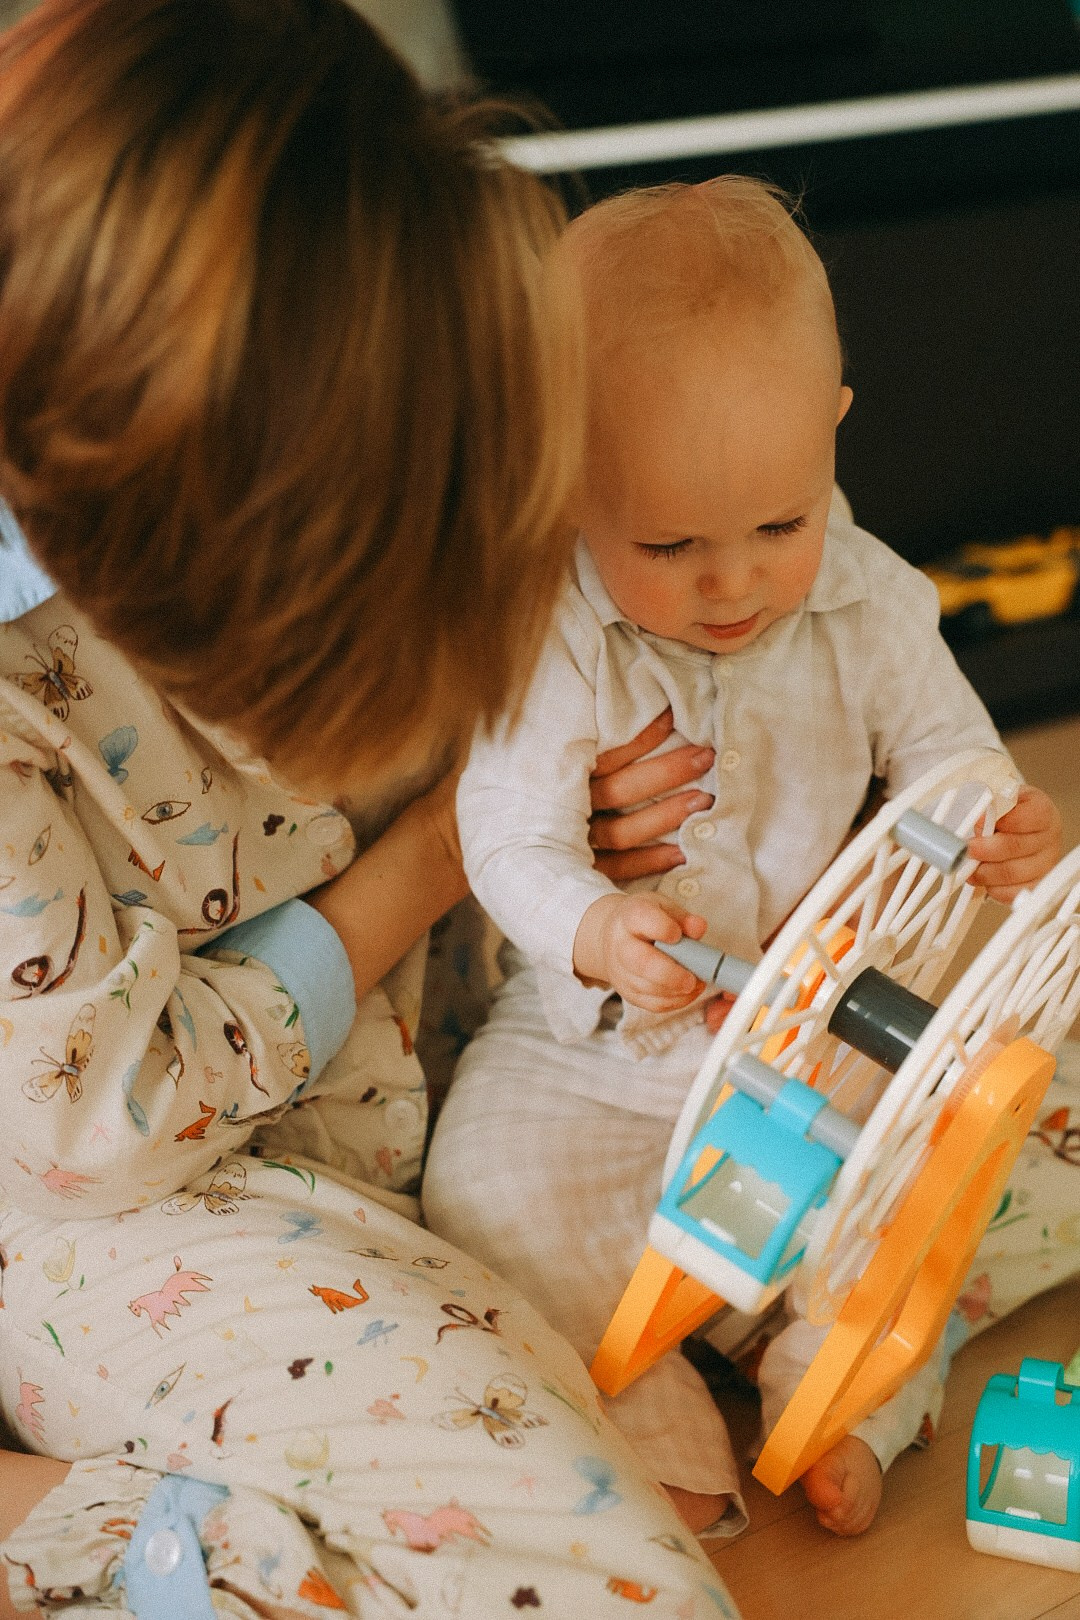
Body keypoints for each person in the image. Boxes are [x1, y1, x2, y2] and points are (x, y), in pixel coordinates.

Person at [0, 5, 743, 1617]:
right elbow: (88, 1135)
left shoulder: (310, 370)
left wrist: (544, 835)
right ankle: (72, 1516)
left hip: (381, 1094)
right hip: (116, 1219)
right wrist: (427, 863)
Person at [423, 178, 1067, 1543]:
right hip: (600, 1056)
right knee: (476, 1195)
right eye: (669, 545)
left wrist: (997, 816)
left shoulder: (870, 599)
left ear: (834, 429)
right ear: (565, 479)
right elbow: (507, 834)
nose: (734, 584)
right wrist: (594, 932)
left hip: (818, 1025)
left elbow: (953, 755)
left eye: (782, 523)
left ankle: (850, 1381)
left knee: (955, 1171)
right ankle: (658, 1389)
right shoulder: (552, 635)